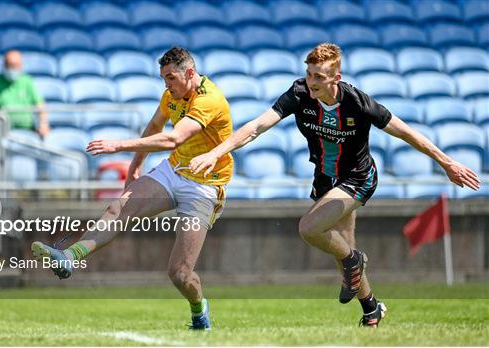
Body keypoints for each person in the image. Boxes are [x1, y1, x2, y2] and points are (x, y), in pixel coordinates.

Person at [189, 43, 480, 327]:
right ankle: (371, 310)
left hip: (358, 178)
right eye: (308, 74)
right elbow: (257, 126)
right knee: (344, 253)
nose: (311, 81)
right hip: (326, 179)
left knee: (311, 230)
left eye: (318, 76)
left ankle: (356, 260)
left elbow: (407, 133)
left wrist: (446, 163)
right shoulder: (299, 93)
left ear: (335, 79)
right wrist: (216, 152)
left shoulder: (358, 102)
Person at [31, 47, 233, 331]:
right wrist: (134, 166)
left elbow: (173, 138)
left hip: (205, 185)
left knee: (179, 273)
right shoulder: (171, 96)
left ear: (189, 73)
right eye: (163, 78)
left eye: (170, 78)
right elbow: (154, 126)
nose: (166, 85)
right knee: (118, 208)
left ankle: (199, 309)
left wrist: (118, 145)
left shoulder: (210, 99)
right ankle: (69, 256)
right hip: (173, 170)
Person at [0, 50, 49, 136]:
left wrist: (43, 124)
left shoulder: (27, 81)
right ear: (4, 65)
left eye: (17, 65)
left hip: (27, 131)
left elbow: (40, 105)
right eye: (11, 65)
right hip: (1, 132)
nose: (14, 69)